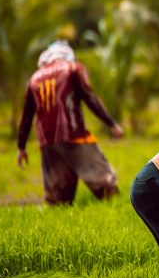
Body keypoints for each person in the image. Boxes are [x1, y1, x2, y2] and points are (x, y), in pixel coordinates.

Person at [16, 40, 124, 205]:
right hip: (75, 137)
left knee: (59, 201)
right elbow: (90, 99)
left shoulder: (34, 79)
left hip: (48, 144)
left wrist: (21, 147)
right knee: (106, 187)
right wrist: (112, 124)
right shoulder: (73, 69)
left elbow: (26, 117)